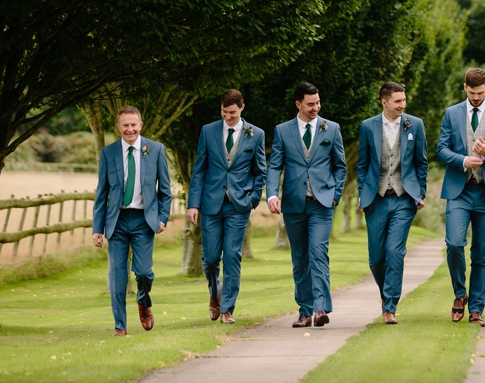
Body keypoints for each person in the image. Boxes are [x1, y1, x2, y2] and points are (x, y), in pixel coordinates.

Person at [437, 68, 485, 327]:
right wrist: (462, 160)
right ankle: (460, 294)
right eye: (472, 93)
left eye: (481, 93)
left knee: (481, 254)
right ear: (464, 88)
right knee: (455, 244)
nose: (477, 98)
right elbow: (441, 149)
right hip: (459, 191)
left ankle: (476, 308)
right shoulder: (451, 113)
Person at [267, 82, 346, 327]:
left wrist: (335, 195)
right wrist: (271, 195)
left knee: (318, 253)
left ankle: (321, 307)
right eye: (310, 104)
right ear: (298, 104)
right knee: (300, 258)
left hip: (322, 204)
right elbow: (275, 166)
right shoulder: (283, 130)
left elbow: (340, 167)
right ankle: (304, 310)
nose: (316, 108)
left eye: (318, 103)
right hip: (293, 205)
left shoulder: (331, 129)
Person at [187, 89, 267, 324]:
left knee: (232, 255)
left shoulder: (256, 134)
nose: (228, 117)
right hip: (210, 204)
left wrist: (253, 198)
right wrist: (193, 204)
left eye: (232, 112)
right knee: (211, 259)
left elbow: (259, 171)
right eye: (224, 112)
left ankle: (227, 309)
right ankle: (215, 295)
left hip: (239, 205)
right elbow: (199, 169)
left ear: (242, 108)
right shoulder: (208, 131)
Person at [92, 106, 172, 336]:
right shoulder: (108, 153)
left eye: (133, 125)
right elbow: (102, 193)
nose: (130, 129)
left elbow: (165, 191)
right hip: (116, 221)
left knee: (144, 272)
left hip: (143, 221)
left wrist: (162, 218)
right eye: (125, 125)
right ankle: (120, 326)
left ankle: (143, 301)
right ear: (118, 127)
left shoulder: (155, 150)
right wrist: (98, 228)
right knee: (117, 276)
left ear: (140, 125)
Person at [356, 82, 428, 325]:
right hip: (375, 199)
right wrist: (361, 194)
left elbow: (421, 162)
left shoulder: (414, 124)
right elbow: (363, 165)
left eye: (404, 100)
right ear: (384, 102)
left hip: (404, 198)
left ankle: (390, 307)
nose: (403, 105)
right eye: (397, 101)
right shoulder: (368, 126)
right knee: (376, 258)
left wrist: (421, 192)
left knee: (395, 252)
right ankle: (385, 294)